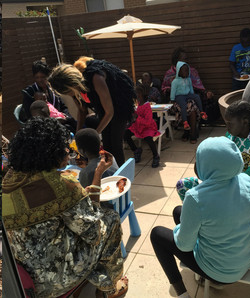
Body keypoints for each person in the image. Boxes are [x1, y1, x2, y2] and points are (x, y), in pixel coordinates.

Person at [2, 117, 128, 298]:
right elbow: (93, 233)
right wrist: (93, 181)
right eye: (65, 149)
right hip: (58, 278)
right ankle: (109, 286)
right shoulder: (61, 184)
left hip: (25, 276)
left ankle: (97, 277)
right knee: (111, 219)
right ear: (50, 153)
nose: (68, 153)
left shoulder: (8, 184)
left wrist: (85, 188)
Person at [151, 137, 250, 298]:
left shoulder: (196, 198)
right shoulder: (246, 180)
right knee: (178, 211)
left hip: (220, 272)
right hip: (246, 258)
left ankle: (181, 293)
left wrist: (180, 230)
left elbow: (184, 246)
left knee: (157, 234)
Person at [48, 57, 135, 167]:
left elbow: (110, 112)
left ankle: (122, 177)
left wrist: (94, 134)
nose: (70, 95)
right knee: (107, 146)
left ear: (72, 84)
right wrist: (78, 136)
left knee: (115, 145)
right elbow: (82, 110)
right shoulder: (76, 88)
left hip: (120, 107)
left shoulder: (96, 78)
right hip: (105, 109)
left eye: (69, 91)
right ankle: (111, 172)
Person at [19, 60, 75, 127]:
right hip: (44, 125)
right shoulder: (29, 93)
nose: (40, 80)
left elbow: (62, 106)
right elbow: (30, 116)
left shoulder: (53, 89)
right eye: (37, 77)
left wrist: (66, 116)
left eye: (43, 77)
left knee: (74, 123)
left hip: (61, 120)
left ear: (48, 76)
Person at [124, 85, 160, 168]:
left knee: (148, 138)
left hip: (148, 126)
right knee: (126, 134)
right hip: (139, 125)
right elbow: (137, 114)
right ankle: (136, 150)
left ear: (142, 94)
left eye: (137, 93)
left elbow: (148, 121)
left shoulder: (147, 105)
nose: (135, 95)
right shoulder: (139, 103)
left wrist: (137, 117)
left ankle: (155, 155)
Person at [170, 61, 207, 131]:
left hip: (187, 95)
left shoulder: (188, 79)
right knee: (183, 105)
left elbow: (191, 88)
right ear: (179, 71)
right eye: (184, 71)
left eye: (187, 71)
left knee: (197, 97)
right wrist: (172, 99)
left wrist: (192, 94)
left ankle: (202, 112)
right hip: (179, 96)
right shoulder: (175, 81)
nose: (186, 73)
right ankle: (185, 122)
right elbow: (173, 91)